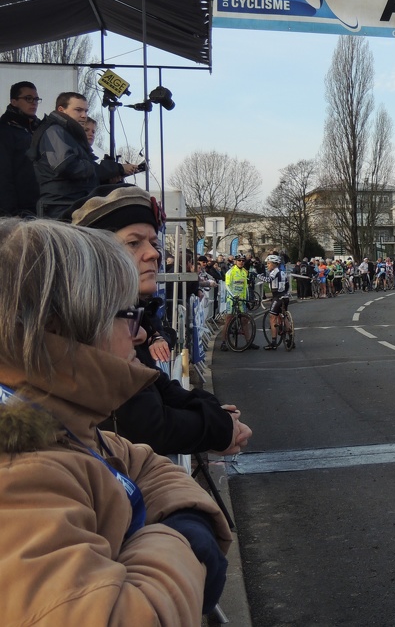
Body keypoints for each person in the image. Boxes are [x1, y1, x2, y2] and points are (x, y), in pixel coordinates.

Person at [0, 217, 231, 622]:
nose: (138, 333)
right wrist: (186, 535)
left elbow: (144, 462)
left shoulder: (62, 423)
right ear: (67, 326)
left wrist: (136, 545)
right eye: (127, 314)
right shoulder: (20, 470)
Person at [70, 184, 251, 455]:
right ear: (98, 255)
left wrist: (218, 415)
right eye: (134, 243)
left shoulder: (127, 313)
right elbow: (147, 427)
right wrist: (220, 428)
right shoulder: (90, 323)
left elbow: (159, 387)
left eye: (154, 243)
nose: (154, 254)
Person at [29, 92, 139, 218]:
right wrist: (112, 168)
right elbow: (67, 167)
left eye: (86, 111)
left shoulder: (67, 133)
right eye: (78, 110)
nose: (84, 116)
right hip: (60, 206)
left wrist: (105, 178)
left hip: (68, 204)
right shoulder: (54, 131)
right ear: (61, 109)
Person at [0, 81, 41, 217]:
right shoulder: (5, 130)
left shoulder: (38, 128)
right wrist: (10, 212)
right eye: (28, 98)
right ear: (14, 101)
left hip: (38, 205)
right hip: (17, 211)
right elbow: (3, 174)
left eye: (36, 99)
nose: (33, 102)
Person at [223, 254, 259, 350]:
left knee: (245, 321)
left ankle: (249, 342)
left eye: (243, 260)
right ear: (235, 261)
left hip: (242, 300)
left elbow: (246, 287)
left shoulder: (244, 272)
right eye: (239, 260)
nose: (241, 262)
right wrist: (233, 296)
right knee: (229, 319)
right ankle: (224, 342)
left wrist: (248, 299)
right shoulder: (230, 272)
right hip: (232, 299)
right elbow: (227, 286)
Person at [264, 254, 292, 350]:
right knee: (282, 317)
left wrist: (257, 275)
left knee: (272, 317)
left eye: (268, 263)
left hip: (277, 297)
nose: (267, 265)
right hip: (285, 297)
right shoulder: (282, 272)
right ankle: (291, 338)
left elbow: (268, 279)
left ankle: (273, 342)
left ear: (274, 264)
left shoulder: (274, 271)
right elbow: (287, 285)